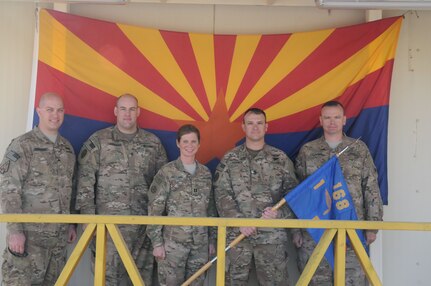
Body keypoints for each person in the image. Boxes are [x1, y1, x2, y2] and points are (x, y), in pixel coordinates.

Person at [75, 93, 167, 286]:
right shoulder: (99, 141)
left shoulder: (153, 143)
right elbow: (85, 180)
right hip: (108, 229)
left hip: (143, 231)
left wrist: (158, 226)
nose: (127, 114)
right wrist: (88, 219)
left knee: (141, 281)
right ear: (116, 111)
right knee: (108, 280)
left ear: (138, 112)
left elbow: (162, 188)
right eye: (123, 109)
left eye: (132, 109)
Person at [293, 100, 383, 286]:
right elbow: (299, 193)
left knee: (352, 280)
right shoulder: (308, 151)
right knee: (316, 280)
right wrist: (296, 229)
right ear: (320, 120)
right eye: (327, 117)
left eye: (336, 117)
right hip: (316, 230)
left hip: (351, 229)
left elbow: (371, 187)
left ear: (344, 120)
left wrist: (372, 227)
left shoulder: (359, 149)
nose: (331, 122)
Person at [214, 107, 298, 286]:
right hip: (237, 236)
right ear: (243, 127)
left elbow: (294, 194)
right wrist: (239, 222)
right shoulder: (230, 159)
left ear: (266, 127)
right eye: (250, 123)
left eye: (259, 123)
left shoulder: (280, 158)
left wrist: (278, 214)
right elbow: (221, 194)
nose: (255, 127)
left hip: (271, 237)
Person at [0, 92, 77, 285]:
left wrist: (71, 223)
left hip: (57, 242)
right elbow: (9, 188)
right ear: (39, 111)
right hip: (29, 238)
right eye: (50, 110)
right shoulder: (22, 145)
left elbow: (70, 188)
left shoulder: (67, 149)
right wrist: (15, 230)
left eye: (59, 110)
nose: (55, 115)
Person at [147, 124, 216, 286]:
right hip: (173, 246)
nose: (189, 146)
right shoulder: (167, 172)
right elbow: (154, 209)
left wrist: (212, 240)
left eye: (193, 142)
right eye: (185, 141)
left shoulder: (205, 174)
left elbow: (211, 208)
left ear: (199, 144)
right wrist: (157, 243)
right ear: (178, 143)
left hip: (200, 245)